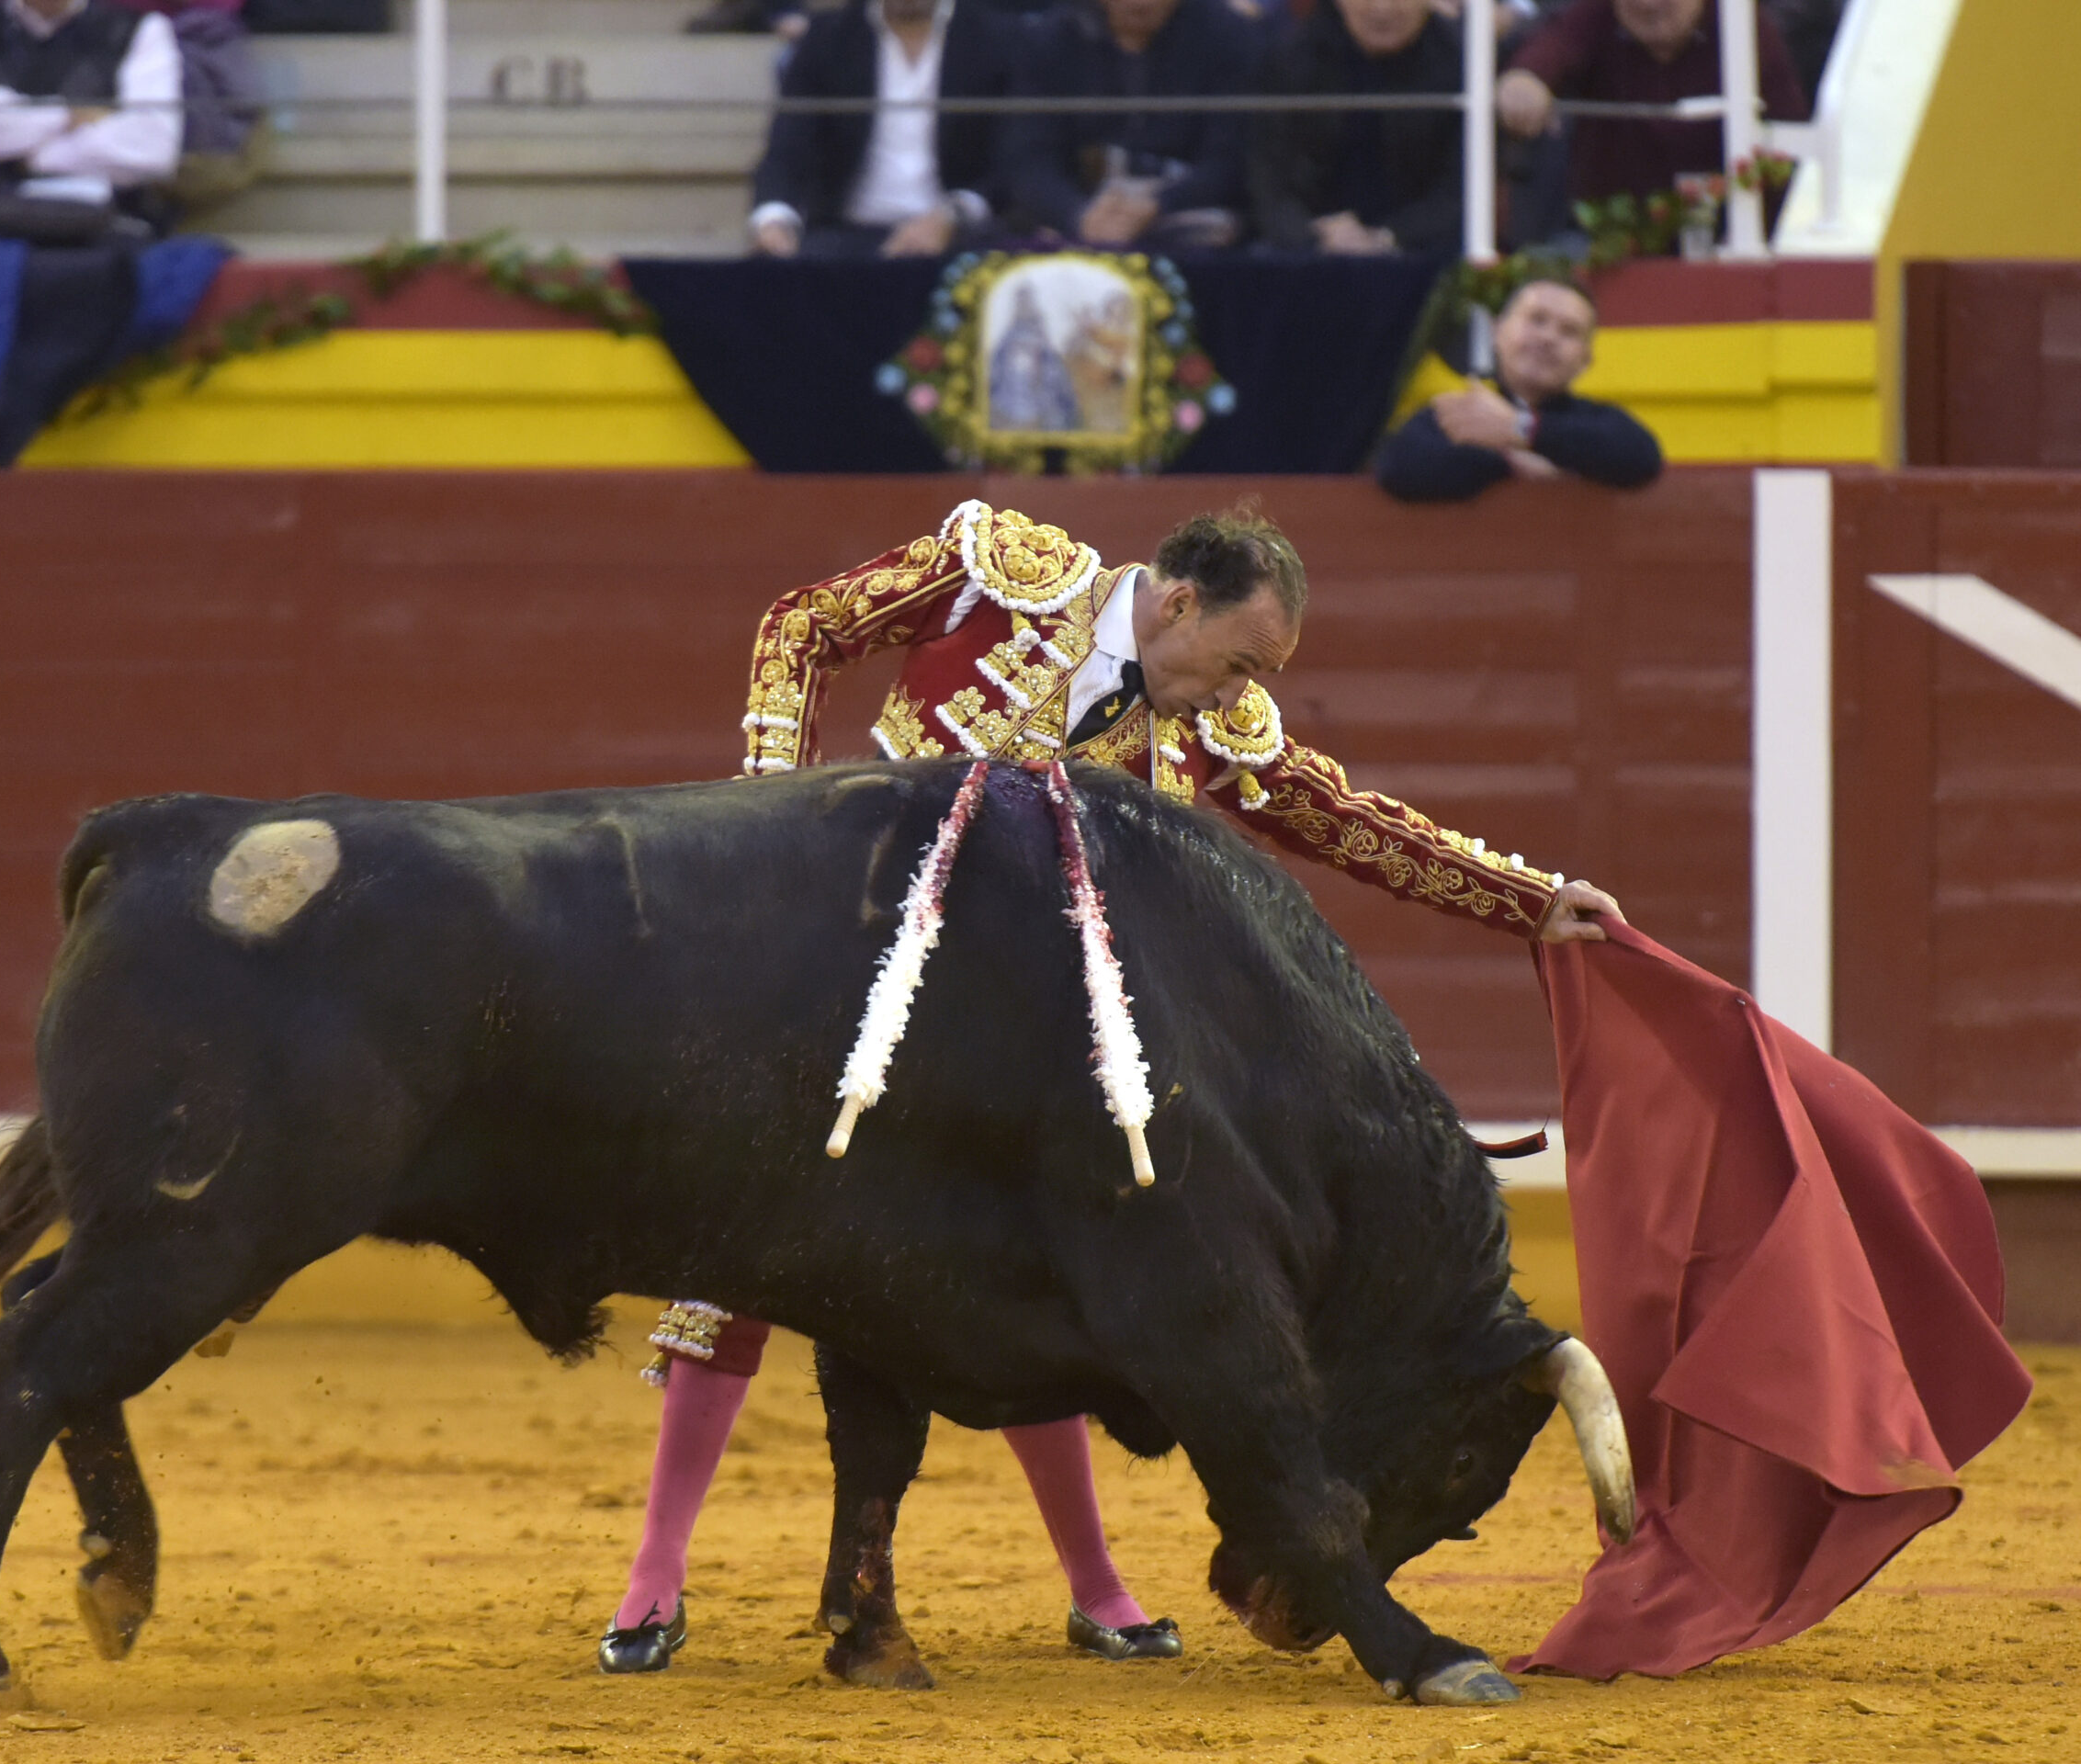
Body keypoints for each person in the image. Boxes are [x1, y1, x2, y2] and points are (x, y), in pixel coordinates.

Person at [600, 499, 1625, 1673]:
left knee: (1049, 1285)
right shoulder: (1002, 571)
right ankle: (651, 1582)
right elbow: (801, 626)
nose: (1237, 691)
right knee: (739, 1257)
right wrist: (765, 809)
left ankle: (1095, 1585)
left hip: (1010, 1053)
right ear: (1178, 602)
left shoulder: (1218, 726)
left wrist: (1527, 898)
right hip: (843, 964)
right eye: (1238, 659)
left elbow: (1342, 820)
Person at [747, 0, 1020, 259]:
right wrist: (774, 219)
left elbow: (1015, 161)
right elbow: (786, 149)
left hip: (962, 236)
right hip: (845, 236)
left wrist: (953, 215)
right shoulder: (828, 37)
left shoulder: (997, 38)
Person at [1496, 0, 1805, 209]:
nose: (1647, 4)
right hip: (1608, 232)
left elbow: (1788, 129)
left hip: (1729, 225)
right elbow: (1552, 48)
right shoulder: (1596, 12)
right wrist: (1525, 81)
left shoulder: (1742, 24)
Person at [1375, 275, 1662, 501]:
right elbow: (1398, 467)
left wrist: (1523, 429)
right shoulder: (1456, 414)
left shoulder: (1597, 421)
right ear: (1498, 332)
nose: (1549, 338)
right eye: (1537, 320)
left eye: (1569, 331)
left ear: (1585, 361)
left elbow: (1640, 457)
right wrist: (1509, 460)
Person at [0, 0, 182, 239]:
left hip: (106, 231)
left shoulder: (142, 29)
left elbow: (153, 149)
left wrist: (30, 157)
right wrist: (67, 115)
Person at [1003, 0, 1251, 251]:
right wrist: (1078, 215)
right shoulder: (1049, 39)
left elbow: (1230, 160)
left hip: (1184, 209)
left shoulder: (1227, 35)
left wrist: (1160, 203)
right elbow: (1030, 160)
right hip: (1080, 210)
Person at [1250, 0, 1464, 258]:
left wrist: (1390, 236)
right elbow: (1268, 180)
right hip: (1309, 255)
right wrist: (1313, 233)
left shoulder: (1462, 63)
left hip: (1425, 257)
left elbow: (1459, 191)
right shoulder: (1290, 59)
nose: (1383, 8)